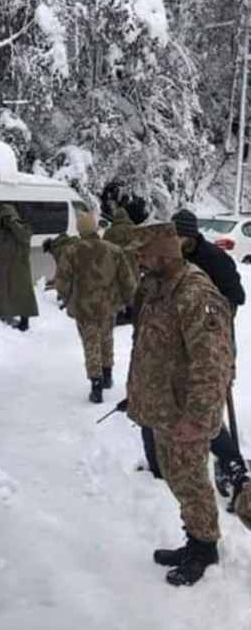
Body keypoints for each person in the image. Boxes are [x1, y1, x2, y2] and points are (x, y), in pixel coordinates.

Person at [123, 223, 233, 586]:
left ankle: (204, 548)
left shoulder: (195, 295)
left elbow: (213, 364)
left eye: (143, 253)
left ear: (164, 254)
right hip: (163, 409)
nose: (139, 259)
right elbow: (148, 347)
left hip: (186, 413)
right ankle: (195, 539)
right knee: (177, 479)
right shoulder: (158, 288)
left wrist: (198, 418)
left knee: (192, 483)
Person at [137, 209, 248, 505]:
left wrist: (201, 310)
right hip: (173, 352)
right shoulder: (166, 264)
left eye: (180, 236)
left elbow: (237, 296)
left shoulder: (214, 260)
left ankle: (231, 463)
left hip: (211, 343)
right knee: (164, 408)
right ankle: (159, 467)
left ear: (190, 235)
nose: (176, 241)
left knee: (204, 409)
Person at [54, 212, 136, 403]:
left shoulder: (72, 251)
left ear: (81, 230)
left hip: (83, 305)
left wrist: (64, 296)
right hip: (108, 304)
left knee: (91, 343)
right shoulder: (114, 250)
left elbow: (63, 278)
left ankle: (96, 383)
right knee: (107, 338)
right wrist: (130, 300)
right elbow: (126, 278)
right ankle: (107, 374)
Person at [0, 204, 38, 331]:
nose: (6, 221)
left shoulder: (24, 229)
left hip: (19, 267)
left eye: (8, 217)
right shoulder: (0, 233)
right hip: (3, 268)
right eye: (4, 218)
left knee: (22, 294)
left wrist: (13, 224)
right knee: (4, 293)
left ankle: (24, 321)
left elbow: (25, 237)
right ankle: (5, 317)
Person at [102, 207, 139, 325]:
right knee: (132, 288)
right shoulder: (134, 230)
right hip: (133, 264)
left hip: (116, 265)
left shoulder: (109, 232)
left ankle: (118, 315)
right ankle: (132, 313)